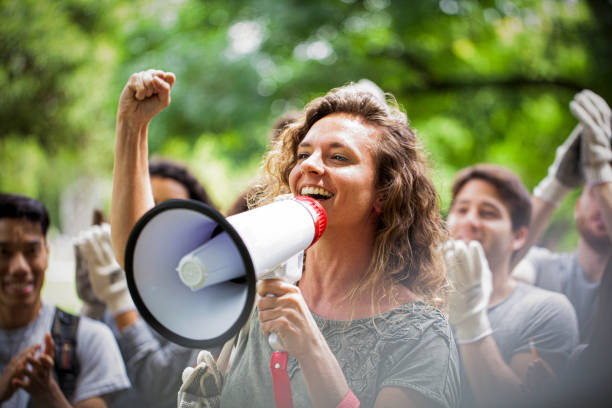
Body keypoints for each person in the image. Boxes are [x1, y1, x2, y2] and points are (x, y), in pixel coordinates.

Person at [111, 69, 461, 407]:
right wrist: (133, 126)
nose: (310, 166)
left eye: (338, 157)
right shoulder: (260, 272)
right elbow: (145, 256)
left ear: (385, 193)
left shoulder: (419, 335)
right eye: (304, 154)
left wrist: (311, 351)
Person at [73, 157, 217, 408]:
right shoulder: (116, 278)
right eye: (146, 205)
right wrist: (92, 307)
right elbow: (83, 374)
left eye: (170, 208)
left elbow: (162, 389)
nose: (156, 217)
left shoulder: (207, 299)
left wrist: (118, 304)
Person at [444, 164, 579, 407]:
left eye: (488, 213)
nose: (470, 221)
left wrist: (470, 320)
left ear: (518, 237)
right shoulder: (415, 300)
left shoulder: (547, 311)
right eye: (462, 209)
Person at [0, 193, 130, 408]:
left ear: (46, 254)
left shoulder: (90, 340)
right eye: (3, 252)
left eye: (31, 251)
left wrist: (49, 394)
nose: (20, 268)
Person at [512, 89, 612, 343]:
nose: (602, 205)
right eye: (594, 195)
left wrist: (600, 178)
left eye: (606, 196)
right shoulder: (542, 267)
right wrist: (554, 187)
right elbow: (498, 265)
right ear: (577, 206)